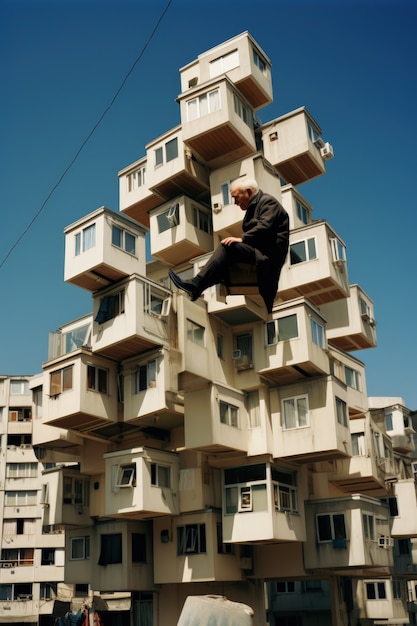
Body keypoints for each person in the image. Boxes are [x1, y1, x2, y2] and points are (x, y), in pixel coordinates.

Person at [169, 177, 289, 313]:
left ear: (248, 192)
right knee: (223, 261)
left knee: (227, 247)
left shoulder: (268, 202)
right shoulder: (253, 208)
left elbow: (265, 227)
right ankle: (196, 288)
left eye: (236, 197)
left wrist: (242, 239)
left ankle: (196, 285)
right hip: (258, 251)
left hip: (268, 255)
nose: (235, 203)